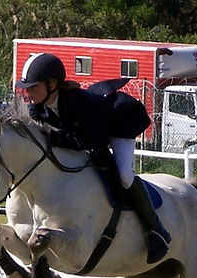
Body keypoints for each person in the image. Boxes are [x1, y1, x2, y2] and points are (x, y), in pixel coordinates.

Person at [16, 53, 171, 264]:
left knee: (124, 175)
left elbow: (97, 140)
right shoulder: (37, 107)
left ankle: (157, 231)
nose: (28, 92)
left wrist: (57, 138)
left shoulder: (78, 102)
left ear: (52, 85)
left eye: (33, 87)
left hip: (120, 123)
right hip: (91, 131)